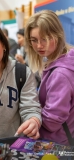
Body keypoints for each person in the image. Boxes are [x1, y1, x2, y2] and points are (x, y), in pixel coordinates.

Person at [25, 10, 74, 145]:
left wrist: (30, 114)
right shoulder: (66, 59)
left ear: (57, 35)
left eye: (45, 39)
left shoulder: (60, 73)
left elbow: (52, 121)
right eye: (34, 40)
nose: (39, 46)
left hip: (56, 144)